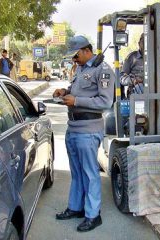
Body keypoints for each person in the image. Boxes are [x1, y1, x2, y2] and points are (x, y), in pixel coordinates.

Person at [53, 35, 114, 232]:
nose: (74, 59)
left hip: (88, 130)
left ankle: (93, 214)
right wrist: (64, 92)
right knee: (77, 172)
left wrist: (77, 101)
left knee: (89, 174)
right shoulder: (80, 68)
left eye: (76, 55)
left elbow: (105, 102)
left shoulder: (103, 70)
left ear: (87, 50)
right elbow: (76, 89)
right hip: (74, 128)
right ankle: (76, 207)